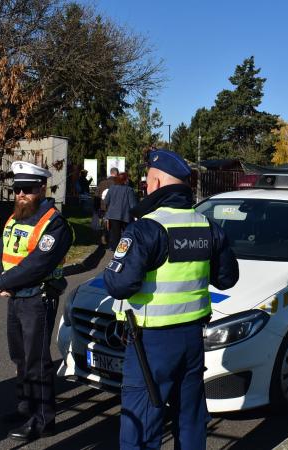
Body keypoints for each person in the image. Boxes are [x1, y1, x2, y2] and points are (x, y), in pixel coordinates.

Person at [103, 149, 239, 450]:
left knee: (142, 423)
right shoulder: (208, 227)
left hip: (150, 342)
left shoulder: (146, 229)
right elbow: (228, 279)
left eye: (148, 182)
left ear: (157, 183)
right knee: (189, 418)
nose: (145, 187)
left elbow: (118, 285)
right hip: (192, 338)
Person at [0, 161, 73, 442]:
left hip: (38, 299)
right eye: (17, 189)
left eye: (27, 189)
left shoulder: (54, 223)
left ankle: (43, 419)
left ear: (41, 188)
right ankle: (25, 407)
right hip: (16, 298)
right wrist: (0, 277)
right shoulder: (15, 216)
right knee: (19, 357)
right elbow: (0, 248)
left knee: (37, 360)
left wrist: (3, 282)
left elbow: (39, 263)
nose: (21, 194)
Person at [102, 170, 137, 251]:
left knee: (115, 234)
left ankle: (115, 250)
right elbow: (132, 204)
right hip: (125, 215)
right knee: (126, 233)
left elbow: (106, 201)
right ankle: (125, 249)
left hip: (112, 215)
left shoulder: (112, 188)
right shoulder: (129, 190)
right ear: (125, 180)